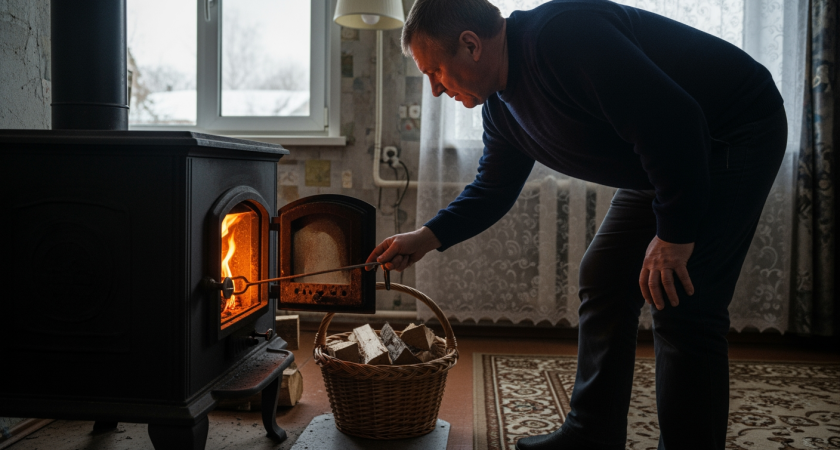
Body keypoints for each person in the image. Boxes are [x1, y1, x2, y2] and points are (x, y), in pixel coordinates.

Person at [366, 0, 787, 448]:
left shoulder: (563, 37)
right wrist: (425, 237)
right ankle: (591, 435)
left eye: (435, 72)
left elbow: (677, 122)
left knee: (683, 302)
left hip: (731, 134)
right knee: (605, 276)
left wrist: (675, 235)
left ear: (471, 45)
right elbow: (493, 188)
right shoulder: (501, 109)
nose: (434, 90)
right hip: (663, 159)